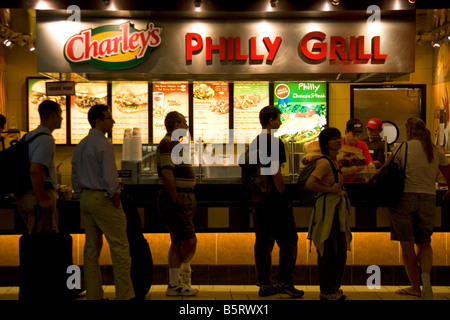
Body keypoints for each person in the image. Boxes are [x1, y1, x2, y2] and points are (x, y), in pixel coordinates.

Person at [71, 104, 135, 300]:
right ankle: (125, 296)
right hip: (103, 198)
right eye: (109, 118)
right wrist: (115, 196)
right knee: (120, 248)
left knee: (91, 249)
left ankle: (94, 296)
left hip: (86, 198)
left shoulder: (81, 144)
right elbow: (110, 177)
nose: (112, 121)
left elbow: (74, 175)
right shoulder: (104, 144)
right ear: (98, 121)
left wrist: (82, 191)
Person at [390, 118, 450, 300]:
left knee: (407, 243)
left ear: (408, 130)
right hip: (428, 198)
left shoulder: (402, 148)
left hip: (405, 197)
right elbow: (448, 174)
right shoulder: (436, 149)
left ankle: (415, 287)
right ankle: (427, 284)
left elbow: (390, 171)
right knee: (424, 242)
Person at [249, 105, 304, 298]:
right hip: (273, 199)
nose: (280, 122)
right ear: (271, 120)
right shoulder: (274, 142)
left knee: (263, 242)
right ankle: (284, 282)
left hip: (259, 199)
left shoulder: (255, 141)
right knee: (289, 241)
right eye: (278, 119)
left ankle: (264, 283)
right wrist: (284, 195)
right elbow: (274, 171)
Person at [306, 127, 352, 301]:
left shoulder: (334, 161)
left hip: (336, 211)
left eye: (338, 137)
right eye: (334, 139)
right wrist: (329, 189)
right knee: (329, 250)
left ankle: (333, 288)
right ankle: (327, 290)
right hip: (328, 213)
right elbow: (310, 184)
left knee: (339, 250)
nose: (338, 141)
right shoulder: (325, 163)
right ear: (326, 143)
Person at [156, 111, 199, 296]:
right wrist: (176, 199)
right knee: (189, 240)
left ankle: (174, 284)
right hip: (177, 197)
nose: (187, 127)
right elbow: (167, 173)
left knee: (176, 241)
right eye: (184, 123)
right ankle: (178, 276)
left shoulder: (174, 145)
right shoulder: (169, 145)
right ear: (175, 125)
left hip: (182, 196)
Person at [15, 100, 61, 234]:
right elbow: (35, 169)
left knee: (39, 235)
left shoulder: (30, 135)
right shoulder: (46, 139)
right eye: (60, 115)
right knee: (40, 242)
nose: (62, 119)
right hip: (36, 195)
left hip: (24, 194)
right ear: (54, 115)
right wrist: (43, 199)